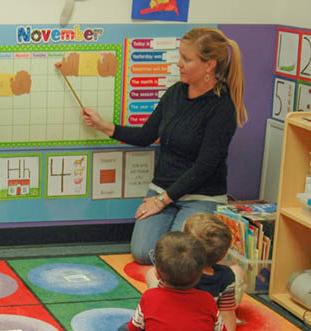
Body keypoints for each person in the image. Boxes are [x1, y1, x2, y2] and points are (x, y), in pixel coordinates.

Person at [77, 27, 247, 265]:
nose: (179, 64)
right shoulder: (176, 93)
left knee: (182, 258)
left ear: (209, 65)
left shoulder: (222, 107)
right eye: (180, 57)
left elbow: (205, 167)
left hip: (200, 194)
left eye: (186, 59)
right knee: (142, 252)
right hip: (163, 189)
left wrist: (162, 200)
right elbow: (147, 135)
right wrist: (103, 125)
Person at [146, 213, 255, 331]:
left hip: (178, 314)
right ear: (223, 253)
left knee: (151, 273)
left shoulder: (175, 271)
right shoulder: (226, 275)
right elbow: (228, 315)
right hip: (209, 323)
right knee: (238, 271)